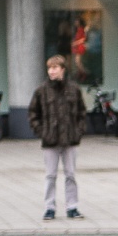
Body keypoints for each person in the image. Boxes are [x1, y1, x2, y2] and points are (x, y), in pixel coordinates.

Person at [28, 55, 88, 221]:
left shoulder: (73, 89)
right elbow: (33, 113)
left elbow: (82, 113)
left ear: (63, 69)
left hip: (70, 139)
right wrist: (42, 132)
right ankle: (49, 208)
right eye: (49, 68)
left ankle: (72, 207)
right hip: (50, 141)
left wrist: (78, 131)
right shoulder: (42, 90)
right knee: (50, 176)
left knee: (70, 175)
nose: (52, 71)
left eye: (55, 68)